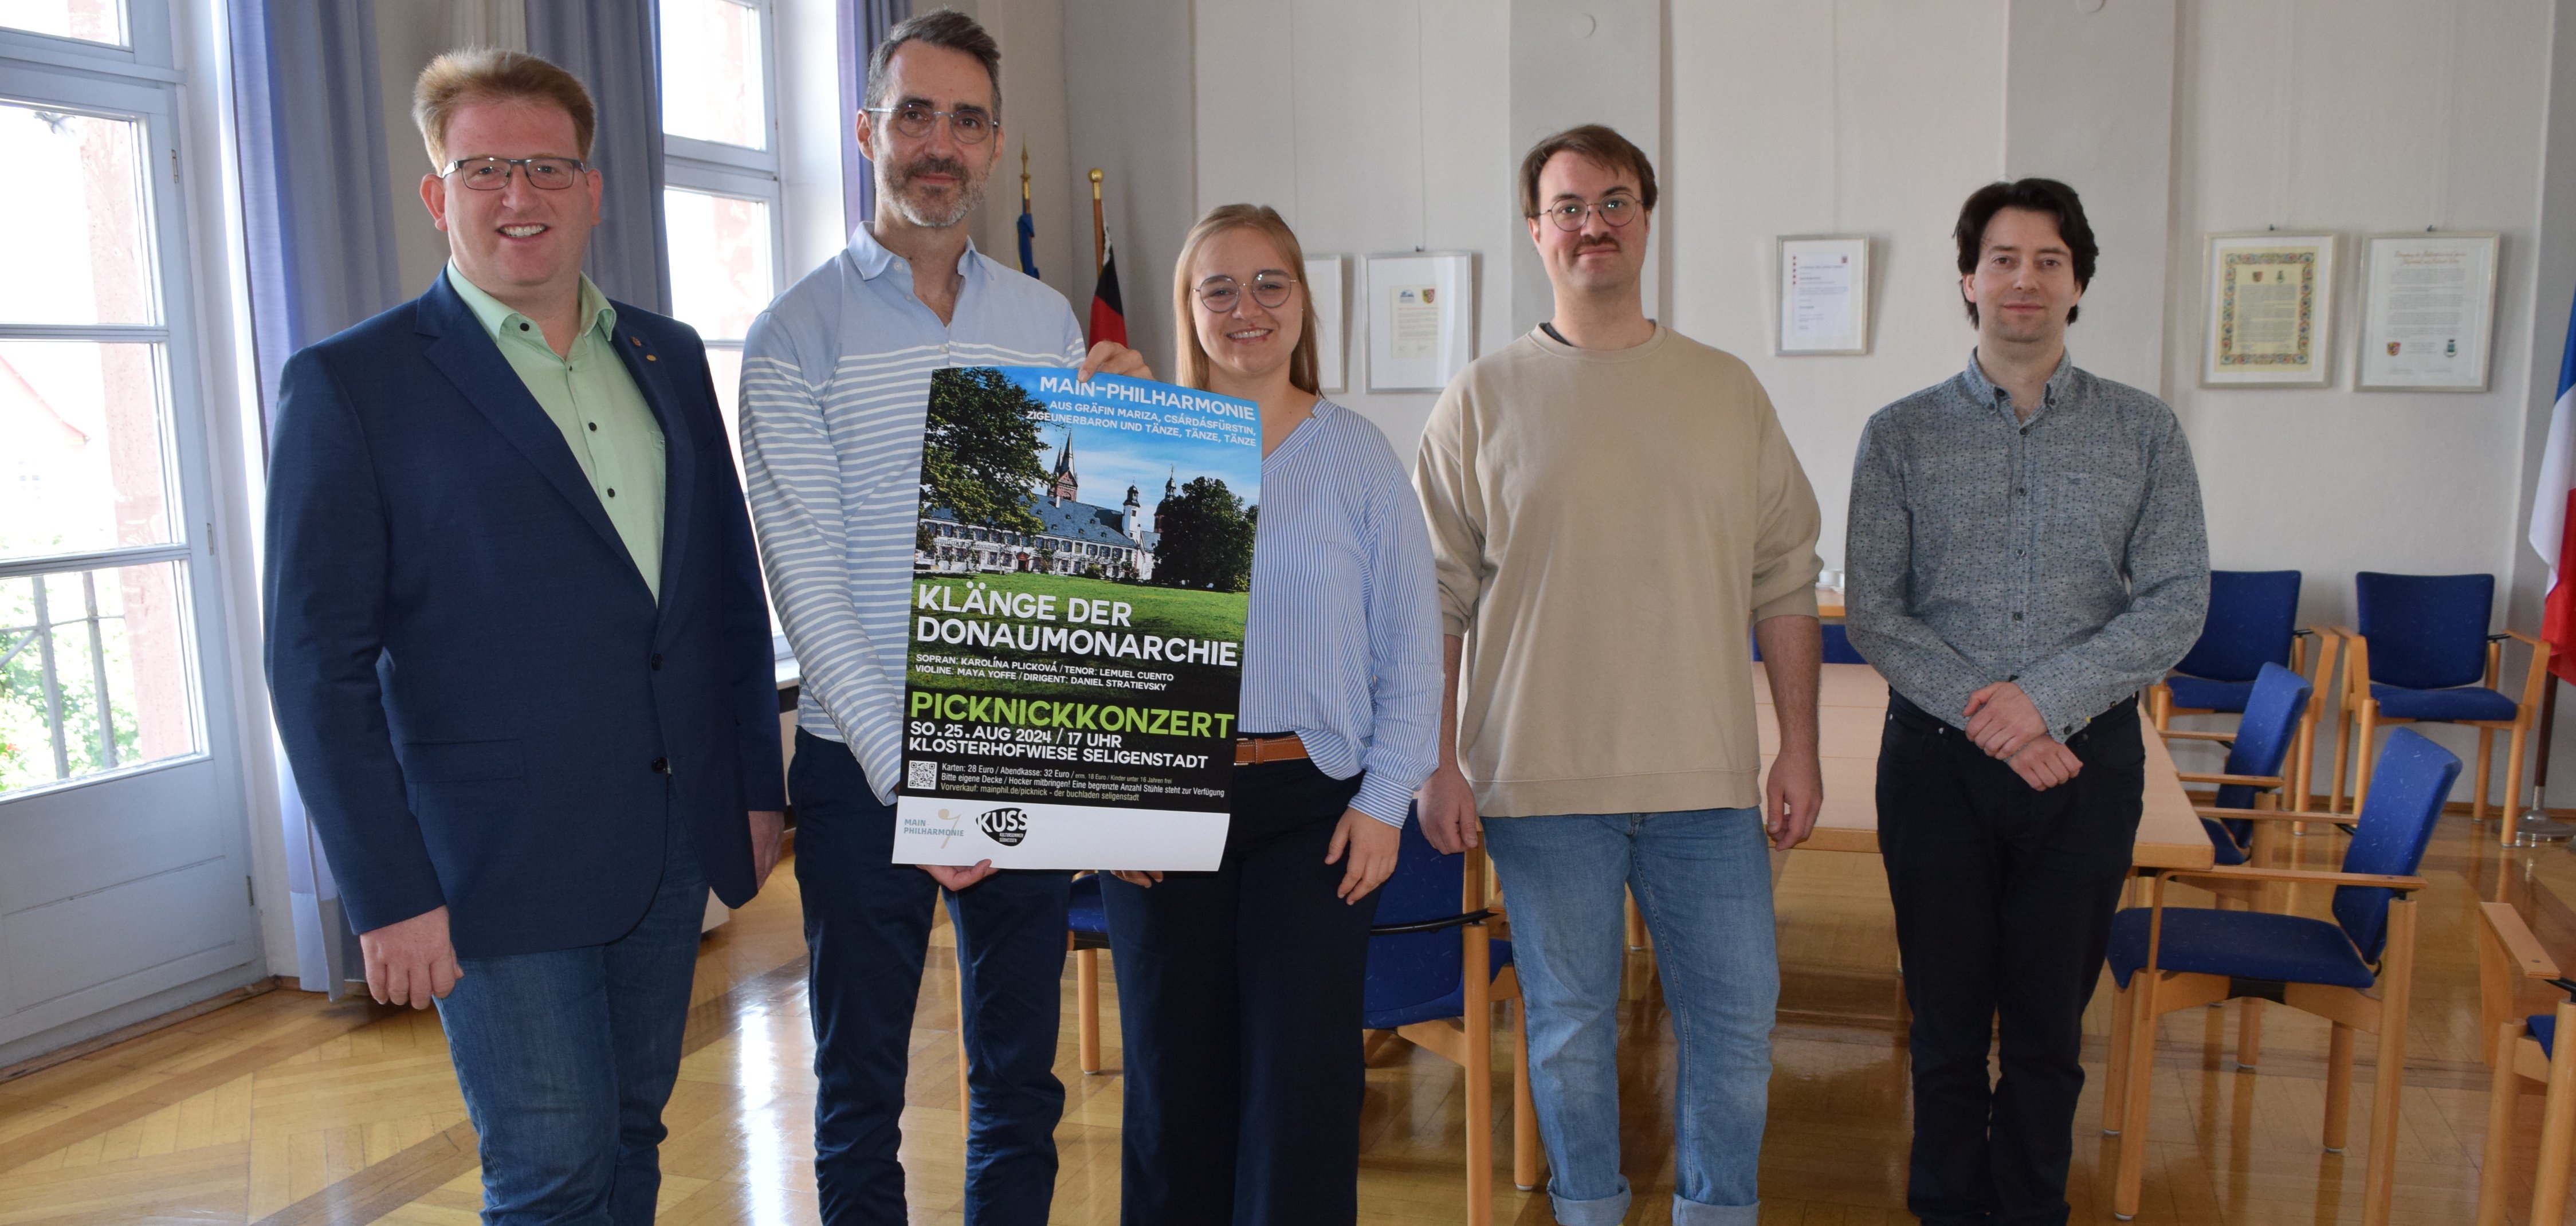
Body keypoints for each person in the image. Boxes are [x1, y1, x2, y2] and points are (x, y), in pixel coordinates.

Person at [262, 49, 785, 1226]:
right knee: (550, 1171)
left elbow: (721, 597)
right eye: (485, 167)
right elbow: (315, 667)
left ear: (592, 188)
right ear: (435, 193)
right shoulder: (351, 386)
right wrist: (385, 893)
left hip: (664, 838)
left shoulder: (667, 354)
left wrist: (755, 785)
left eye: (547, 167)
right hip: (488, 866)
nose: (519, 196)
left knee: (632, 1134)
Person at [735, 10, 1146, 1224]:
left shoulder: (1047, 323)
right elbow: (808, 591)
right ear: (867, 131)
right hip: (864, 776)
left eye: (966, 120)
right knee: (858, 1086)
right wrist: (927, 780)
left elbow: (1068, 575)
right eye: (914, 113)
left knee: (1020, 1078)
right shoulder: (793, 335)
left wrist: (1130, 436)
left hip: (1014, 741)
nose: (940, 143)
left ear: (993, 142)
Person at [1412, 124, 1825, 1226]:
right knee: (1568, 1032)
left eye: (1616, 201)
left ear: (1647, 216)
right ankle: (1588, 1211)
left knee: (1738, 1031)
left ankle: (1715, 1213)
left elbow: (1787, 579)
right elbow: (1435, 600)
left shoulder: (1727, 391)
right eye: (1568, 204)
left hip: (1705, 787)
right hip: (1542, 789)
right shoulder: (1479, 401)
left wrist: (1800, 747)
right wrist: (1434, 759)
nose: (1593, 222)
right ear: (1535, 228)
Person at [1842, 178, 2209, 1226]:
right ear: (1968, 279)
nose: (2025, 279)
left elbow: (2180, 597)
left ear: (2078, 283)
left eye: (2049, 261)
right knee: (1948, 1029)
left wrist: (2042, 704)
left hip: (2083, 770)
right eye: (2003, 258)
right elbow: (1875, 606)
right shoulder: (1900, 434)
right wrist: (1985, 711)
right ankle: (1948, 1208)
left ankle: (2032, 1209)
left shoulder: (2145, 432)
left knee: (2049, 1034)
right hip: (1937, 771)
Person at [1099, 205, 1441, 1225]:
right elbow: (1084, 637)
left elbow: (1413, 654)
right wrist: (1109, 797)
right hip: (1162, 798)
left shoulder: (1360, 456)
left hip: (1315, 813)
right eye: (1219, 288)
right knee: (1171, 1088)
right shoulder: (1137, 442)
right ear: (1187, 308)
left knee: (1301, 1095)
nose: (1246, 309)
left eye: (1269, 285)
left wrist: (1384, 804)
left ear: (1303, 302)